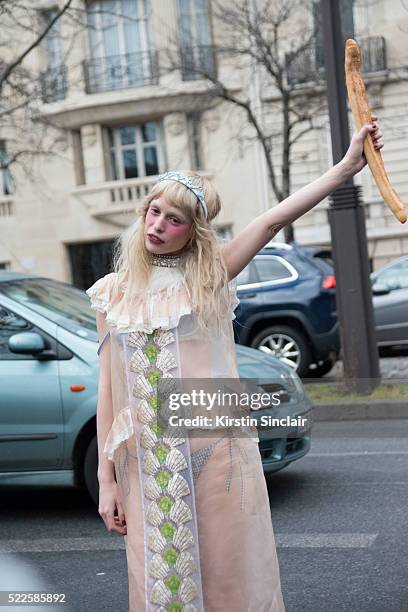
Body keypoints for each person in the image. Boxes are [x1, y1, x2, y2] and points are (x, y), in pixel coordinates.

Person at [86, 120, 383, 612]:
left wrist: (347, 167)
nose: (158, 225)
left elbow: (269, 222)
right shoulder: (111, 292)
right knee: (163, 586)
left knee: (228, 580)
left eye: (174, 219)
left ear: (194, 232)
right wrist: (107, 481)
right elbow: (108, 390)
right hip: (147, 461)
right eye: (153, 212)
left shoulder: (207, 279)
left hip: (213, 456)